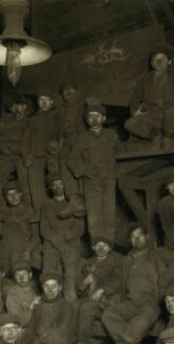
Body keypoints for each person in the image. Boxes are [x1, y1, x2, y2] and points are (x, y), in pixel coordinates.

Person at [102, 223, 174, 344]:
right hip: (131, 301)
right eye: (133, 237)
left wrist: (163, 282)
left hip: (152, 300)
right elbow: (122, 285)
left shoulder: (158, 253)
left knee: (143, 318)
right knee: (108, 314)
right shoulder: (127, 260)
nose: (137, 239)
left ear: (147, 237)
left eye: (140, 236)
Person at [66, 97, 120, 244]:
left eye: (97, 116)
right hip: (91, 181)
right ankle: (97, 247)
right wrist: (84, 170)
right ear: (86, 120)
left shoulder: (111, 135)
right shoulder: (81, 138)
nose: (94, 120)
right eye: (90, 117)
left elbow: (120, 153)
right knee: (94, 217)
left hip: (109, 179)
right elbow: (71, 160)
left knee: (109, 214)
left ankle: (109, 248)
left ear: (104, 118)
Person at [74, 238, 126, 344]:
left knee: (87, 308)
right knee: (73, 306)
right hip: (90, 297)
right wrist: (84, 283)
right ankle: (73, 340)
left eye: (104, 246)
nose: (101, 248)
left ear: (109, 248)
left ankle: (84, 343)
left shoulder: (116, 261)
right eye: (98, 246)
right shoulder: (88, 263)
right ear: (93, 248)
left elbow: (119, 282)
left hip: (108, 299)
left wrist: (103, 290)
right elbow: (78, 287)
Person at [39, 170, 85, 300]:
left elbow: (79, 228)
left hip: (70, 245)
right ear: (51, 188)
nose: (58, 187)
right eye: (55, 185)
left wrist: (66, 238)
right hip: (51, 245)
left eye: (61, 184)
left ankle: (71, 309)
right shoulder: (47, 205)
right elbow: (44, 229)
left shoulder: (75, 204)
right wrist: (57, 242)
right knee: (50, 278)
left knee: (70, 280)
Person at [123, 51, 174, 147]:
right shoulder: (144, 80)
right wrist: (135, 111)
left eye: (162, 59)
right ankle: (156, 135)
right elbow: (135, 99)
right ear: (151, 63)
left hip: (169, 116)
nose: (159, 62)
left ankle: (168, 138)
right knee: (129, 124)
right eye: (156, 60)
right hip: (152, 115)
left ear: (169, 62)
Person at [22, 90, 60, 211]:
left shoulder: (57, 116)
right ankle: (40, 211)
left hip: (52, 154)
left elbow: (62, 134)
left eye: (46, 100)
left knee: (57, 181)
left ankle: (59, 208)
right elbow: (26, 140)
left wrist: (57, 146)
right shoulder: (32, 119)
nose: (43, 103)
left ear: (52, 102)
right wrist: (26, 156)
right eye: (41, 100)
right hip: (35, 154)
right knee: (35, 185)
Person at [24, 271, 76, 344]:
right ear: (42, 288)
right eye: (46, 286)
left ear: (60, 288)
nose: (50, 289)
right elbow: (31, 326)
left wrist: (45, 337)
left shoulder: (66, 306)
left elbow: (64, 329)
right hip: (38, 341)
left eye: (53, 286)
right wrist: (23, 342)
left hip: (57, 343)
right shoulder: (38, 305)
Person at [0, 180, 40, 273]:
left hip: (25, 247)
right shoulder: (5, 213)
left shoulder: (29, 211)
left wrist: (28, 250)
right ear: (6, 198)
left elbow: (36, 235)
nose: (13, 197)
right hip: (8, 248)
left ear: (21, 194)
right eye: (9, 195)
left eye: (15, 193)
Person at [4, 261, 40, 328]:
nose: (21, 278)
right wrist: (32, 307)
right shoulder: (12, 295)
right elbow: (18, 321)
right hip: (25, 328)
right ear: (15, 278)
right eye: (18, 275)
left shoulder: (35, 288)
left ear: (30, 275)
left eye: (24, 274)